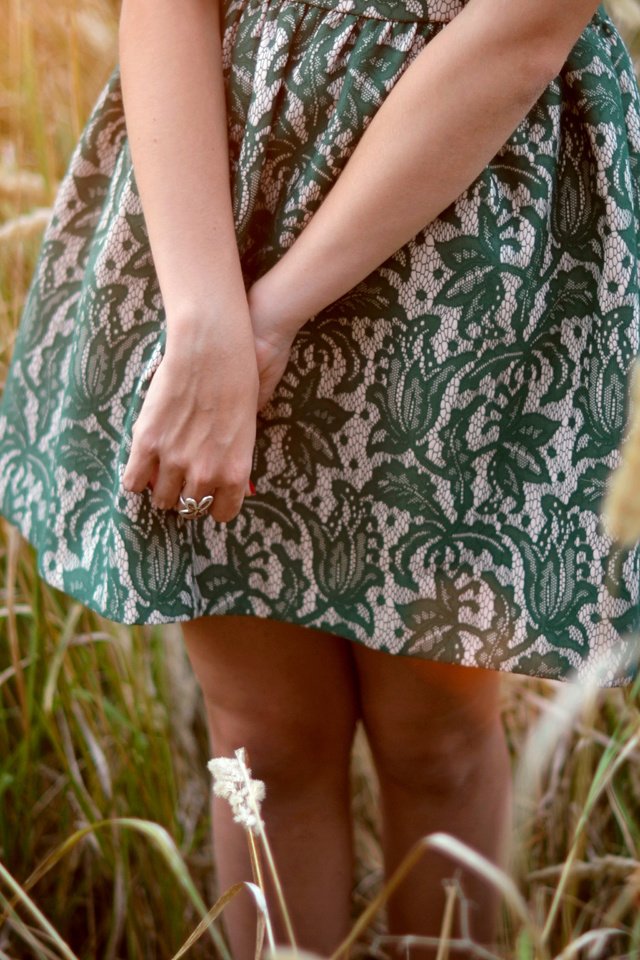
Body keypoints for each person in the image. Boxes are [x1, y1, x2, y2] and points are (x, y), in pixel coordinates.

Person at [1, 0, 640, 955]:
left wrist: (266, 320)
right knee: (261, 733)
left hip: (464, 230)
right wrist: (207, 317)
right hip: (214, 207)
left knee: (438, 732)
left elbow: (522, 29)